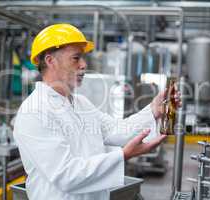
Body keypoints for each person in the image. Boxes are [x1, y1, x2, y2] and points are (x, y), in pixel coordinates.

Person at [13, 24, 179, 200]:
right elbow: (66, 175)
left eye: (82, 58)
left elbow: (116, 130)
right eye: (75, 58)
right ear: (50, 61)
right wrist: (122, 155)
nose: (84, 65)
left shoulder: (81, 104)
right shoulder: (34, 112)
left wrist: (154, 110)